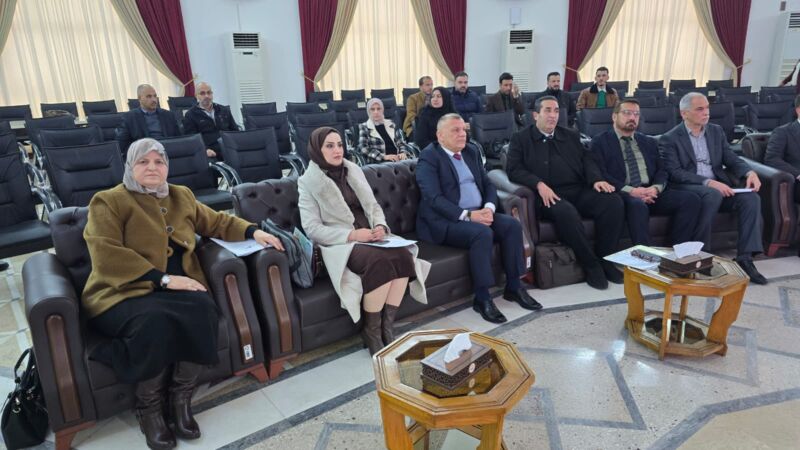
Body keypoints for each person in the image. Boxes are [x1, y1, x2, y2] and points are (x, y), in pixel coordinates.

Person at [82, 138, 284, 449]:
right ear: (130, 167)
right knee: (154, 322)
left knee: (204, 309)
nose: (152, 168)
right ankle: (149, 409)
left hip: (179, 285)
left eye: (159, 162)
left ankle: (180, 399)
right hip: (122, 291)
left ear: (167, 167)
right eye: (143, 162)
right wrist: (163, 280)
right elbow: (105, 253)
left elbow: (216, 221)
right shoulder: (109, 201)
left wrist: (253, 231)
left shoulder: (181, 196)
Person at [298, 127, 430, 354]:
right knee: (379, 262)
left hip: (371, 234)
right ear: (317, 150)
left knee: (402, 254)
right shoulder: (307, 182)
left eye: (340, 144)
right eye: (329, 146)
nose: (337, 150)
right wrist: (352, 235)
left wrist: (380, 226)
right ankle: (371, 330)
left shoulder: (353, 169)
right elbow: (312, 229)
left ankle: (387, 325)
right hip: (343, 243)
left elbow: (373, 206)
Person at [416, 113, 542, 324]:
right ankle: (482, 297)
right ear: (440, 136)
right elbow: (433, 198)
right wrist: (469, 215)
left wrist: (490, 208)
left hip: (478, 212)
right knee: (482, 233)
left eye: (463, 129)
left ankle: (514, 286)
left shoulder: (471, 151)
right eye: (455, 130)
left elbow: (487, 184)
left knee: (511, 225)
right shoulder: (429, 157)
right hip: (445, 220)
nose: (462, 134)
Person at [507, 96, 624, 290]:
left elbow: (587, 159)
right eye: (547, 111)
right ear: (536, 115)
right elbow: (513, 169)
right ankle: (591, 265)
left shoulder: (570, 134)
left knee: (613, 202)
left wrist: (596, 179)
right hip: (548, 195)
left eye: (556, 111)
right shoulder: (520, 138)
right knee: (565, 212)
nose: (553, 115)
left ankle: (606, 260)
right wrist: (538, 184)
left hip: (577, 189)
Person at [660, 92, 767, 284]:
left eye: (707, 107)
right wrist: (708, 182)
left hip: (717, 187)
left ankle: (745, 258)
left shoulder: (716, 131)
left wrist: (749, 173)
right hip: (689, 188)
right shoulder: (670, 138)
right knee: (712, 194)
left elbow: (732, 159)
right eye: (700, 109)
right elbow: (675, 172)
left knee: (751, 198)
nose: (706, 112)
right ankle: (702, 256)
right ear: (684, 114)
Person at [590, 98, 703, 245]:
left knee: (691, 200)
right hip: (623, 193)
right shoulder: (600, 142)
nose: (632, 117)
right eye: (627, 113)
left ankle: (676, 252)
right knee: (638, 206)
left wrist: (655, 188)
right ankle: (645, 256)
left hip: (651, 191)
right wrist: (632, 191)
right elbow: (602, 174)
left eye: (636, 114)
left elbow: (662, 170)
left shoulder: (648, 141)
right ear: (614, 116)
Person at [116, 84, 181, 154]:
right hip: (144, 155)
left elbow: (180, 140)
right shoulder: (128, 118)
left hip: (168, 152)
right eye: (149, 96)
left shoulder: (169, 115)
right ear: (139, 99)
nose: (154, 100)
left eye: (155, 96)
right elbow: (121, 146)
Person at [182, 81, 239, 160]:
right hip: (209, 153)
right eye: (202, 93)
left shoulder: (223, 110)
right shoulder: (190, 115)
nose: (206, 96)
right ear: (196, 96)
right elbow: (191, 139)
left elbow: (235, 131)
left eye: (209, 93)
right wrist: (205, 150)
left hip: (229, 148)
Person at [358, 98, 411, 164]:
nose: (376, 112)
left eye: (378, 109)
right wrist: (384, 157)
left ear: (382, 110)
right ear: (368, 111)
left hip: (398, 160)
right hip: (380, 163)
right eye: (372, 109)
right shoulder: (364, 127)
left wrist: (403, 153)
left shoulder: (391, 124)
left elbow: (401, 143)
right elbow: (363, 149)